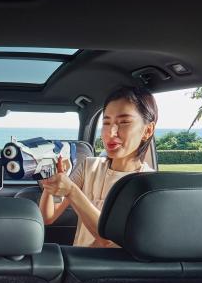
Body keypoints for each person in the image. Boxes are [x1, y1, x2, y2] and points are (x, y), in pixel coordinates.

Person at [38, 85, 157, 247]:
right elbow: (47, 217)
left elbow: (108, 240)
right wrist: (51, 181)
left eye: (124, 122)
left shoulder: (148, 184)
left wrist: (72, 191)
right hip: (78, 261)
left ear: (148, 130)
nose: (111, 132)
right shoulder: (89, 167)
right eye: (106, 123)